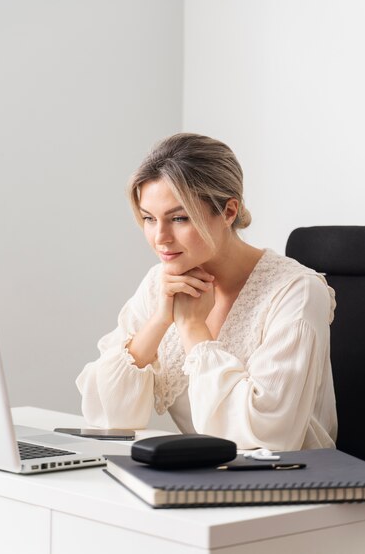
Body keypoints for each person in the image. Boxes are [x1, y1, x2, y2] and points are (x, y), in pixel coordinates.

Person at [76, 133, 337, 450]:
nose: (161, 238)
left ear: (228, 212)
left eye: (179, 218)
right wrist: (159, 321)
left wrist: (192, 328)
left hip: (290, 484)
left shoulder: (296, 292)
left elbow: (266, 436)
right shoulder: (161, 282)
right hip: (203, 479)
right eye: (148, 218)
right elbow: (106, 415)